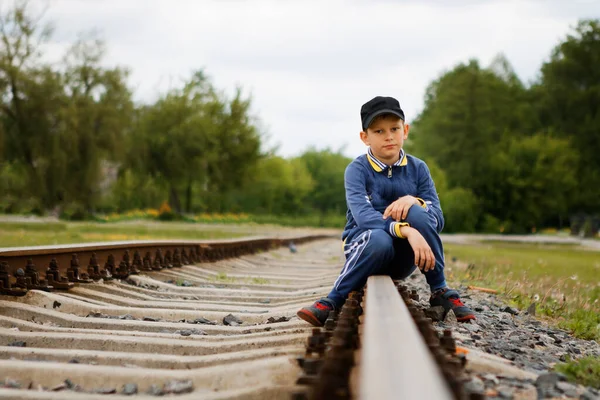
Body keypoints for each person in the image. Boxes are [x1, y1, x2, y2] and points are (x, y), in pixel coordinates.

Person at [297, 96, 475, 326]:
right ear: (365, 137)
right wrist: (406, 231)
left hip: (403, 258)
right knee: (380, 238)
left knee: (417, 212)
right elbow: (363, 217)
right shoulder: (357, 170)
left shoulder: (418, 168)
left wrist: (414, 201)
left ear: (406, 130)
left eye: (394, 128)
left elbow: (438, 219)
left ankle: (440, 290)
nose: (389, 136)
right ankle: (332, 300)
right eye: (379, 131)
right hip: (367, 247)